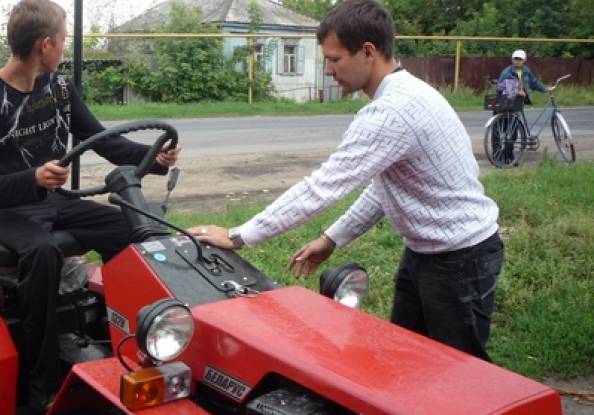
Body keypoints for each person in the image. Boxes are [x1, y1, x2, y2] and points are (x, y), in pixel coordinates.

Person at [189, 0, 503, 362]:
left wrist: (238, 236)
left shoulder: (392, 112)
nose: (329, 70)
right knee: (409, 360)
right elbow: (385, 189)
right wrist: (332, 238)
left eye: (335, 60)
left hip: (460, 260)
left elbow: (323, 186)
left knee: (463, 372)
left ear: (367, 51)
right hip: (429, 254)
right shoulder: (405, 94)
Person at [0, 0, 180, 415]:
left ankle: (127, 339)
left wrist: (152, 158)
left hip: (50, 201)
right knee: (42, 253)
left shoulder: (59, 87)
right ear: (44, 44)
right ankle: (40, 385)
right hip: (3, 213)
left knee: (127, 228)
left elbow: (101, 139)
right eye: (62, 39)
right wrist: (31, 178)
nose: (64, 46)